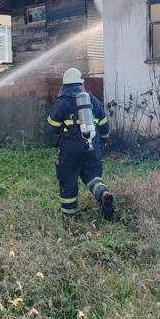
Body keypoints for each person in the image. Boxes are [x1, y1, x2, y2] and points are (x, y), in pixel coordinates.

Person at [47, 68, 115, 220]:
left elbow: (51, 125)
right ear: (81, 84)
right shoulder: (93, 100)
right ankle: (103, 193)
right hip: (92, 146)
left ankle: (70, 219)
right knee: (93, 176)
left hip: (70, 149)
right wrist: (103, 142)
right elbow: (104, 126)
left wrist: (60, 130)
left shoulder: (62, 102)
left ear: (64, 85)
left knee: (68, 180)